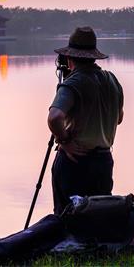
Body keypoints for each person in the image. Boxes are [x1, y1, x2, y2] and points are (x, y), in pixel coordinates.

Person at [48, 26, 124, 214]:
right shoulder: (112, 80)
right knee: (98, 218)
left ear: (69, 57)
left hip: (75, 162)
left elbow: (55, 117)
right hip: (103, 161)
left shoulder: (73, 83)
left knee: (66, 219)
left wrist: (64, 140)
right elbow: (119, 118)